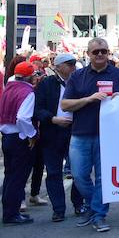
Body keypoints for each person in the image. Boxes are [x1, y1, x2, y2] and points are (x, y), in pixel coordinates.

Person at [61, 38, 119, 232]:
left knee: (103, 178)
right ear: (88, 54)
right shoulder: (77, 76)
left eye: (104, 51)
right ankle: (94, 206)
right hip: (80, 133)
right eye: (96, 52)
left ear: (108, 52)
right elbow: (65, 105)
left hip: (109, 136)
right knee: (78, 176)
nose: (100, 54)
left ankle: (99, 215)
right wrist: (88, 99)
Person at [34, 53, 86, 223]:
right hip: (52, 132)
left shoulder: (79, 82)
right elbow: (38, 109)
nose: (72, 67)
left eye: (74, 64)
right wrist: (53, 119)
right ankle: (58, 209)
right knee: (54, 172)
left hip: (75, 130)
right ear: (57, 66)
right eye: (69, 64)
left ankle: (79, 204)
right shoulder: (46, 84)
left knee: (78, 171)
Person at [1, 62, 39, 226]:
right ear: (30, 77)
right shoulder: (27, 92)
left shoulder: (9, 87)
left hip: (7, 136)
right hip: (19, 138)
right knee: (18, 177)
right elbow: (23, 118)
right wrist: (31, 134)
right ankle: (12, 214)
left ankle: (9, 211)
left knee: (10, 176)